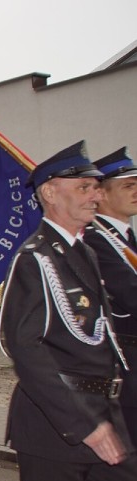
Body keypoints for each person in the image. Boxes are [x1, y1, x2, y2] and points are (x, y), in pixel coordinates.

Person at [0, 140, 137, 481]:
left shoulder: (83, 252)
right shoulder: (36, 259)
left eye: (97, 187)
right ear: (50, 192)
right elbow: (23, 347)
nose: (96, 195)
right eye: (84, 187)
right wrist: (85, 424)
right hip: (54, 424)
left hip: (102, 410)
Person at [84, 147, 137, 446]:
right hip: (127, 369)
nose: (136, 191)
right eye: (128, 186)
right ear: (101, 195)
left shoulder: (125, 239)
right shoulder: (96, 241)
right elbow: (131, 296)